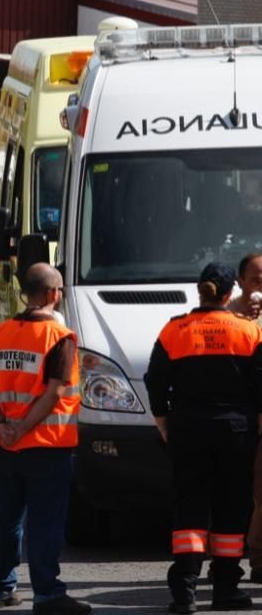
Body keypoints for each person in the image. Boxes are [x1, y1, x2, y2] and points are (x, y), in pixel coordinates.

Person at [147, 261, 262, 613]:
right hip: (235, 431)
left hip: (187, 429)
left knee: (189, 506)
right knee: (232, 506)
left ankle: (184, 591)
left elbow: (155, 380)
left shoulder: (175, 330)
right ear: (230, 293)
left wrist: (163, 421)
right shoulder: (248, 331)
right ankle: (226, 587)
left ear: (201, 290)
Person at [0, 263, 91, 614]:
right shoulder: (60, 337)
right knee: (45, 519)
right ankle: (47, 593)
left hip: (6, 444)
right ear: (53, 294)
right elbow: (54, 393)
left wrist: (0, 426)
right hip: (46, 444)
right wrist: (23, 428)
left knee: (6, 516)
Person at [230, 252, 262, 585]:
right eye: (255, 279)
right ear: (240, 282)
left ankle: (257, 560)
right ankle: (227, 561)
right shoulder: (225, 318)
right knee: (234, 494)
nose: (260, 287)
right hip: (235, 422)